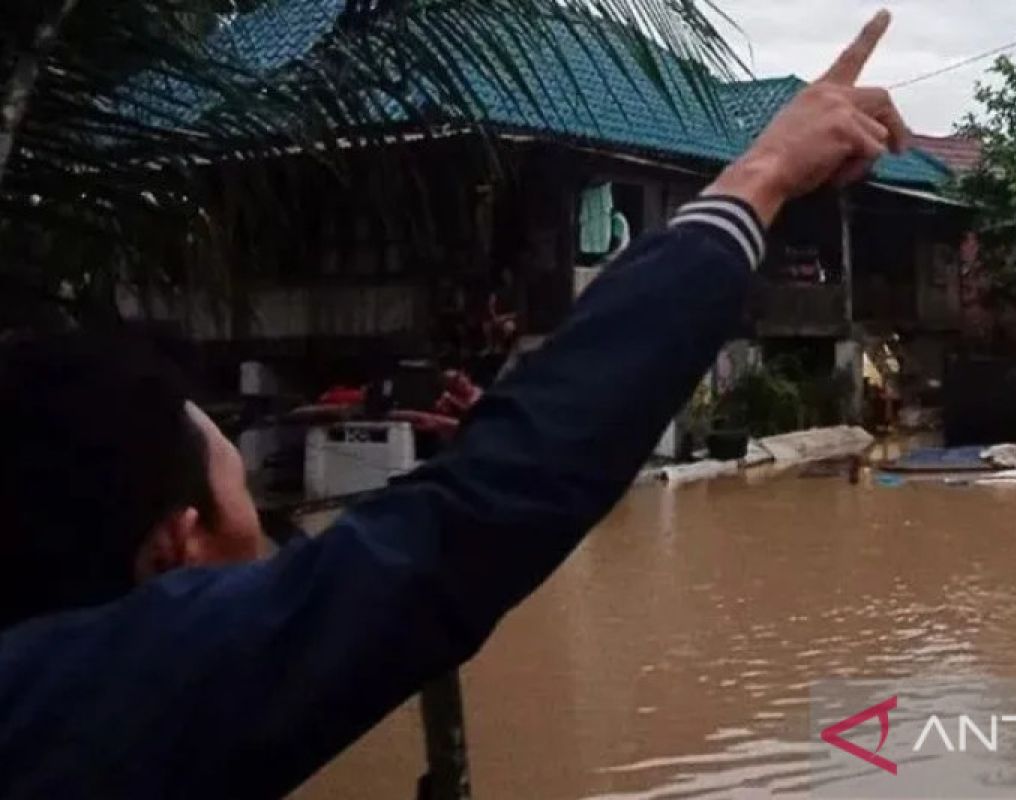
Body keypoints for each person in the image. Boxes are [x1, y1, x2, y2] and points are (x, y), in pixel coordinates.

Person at [0, 12, 908, 798]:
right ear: (175, 551)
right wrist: (762, 176)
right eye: (255, 509)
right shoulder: (96, 716)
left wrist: (468, 458)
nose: (281, 538)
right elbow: (466, 529)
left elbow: (402, 545)